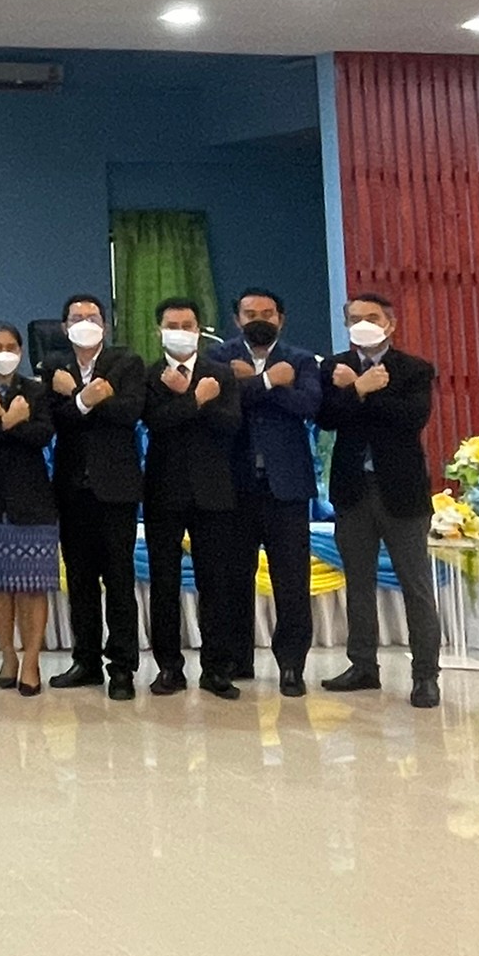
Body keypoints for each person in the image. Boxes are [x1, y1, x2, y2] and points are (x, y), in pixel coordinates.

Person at [319, 293, 442, 708]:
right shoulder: (336, 367)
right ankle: (362, 665)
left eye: (371, 317)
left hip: (402, 490)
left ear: (390, 324)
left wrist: (364, 392)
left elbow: (411, 418)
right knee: (358, 582)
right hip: (353, 490)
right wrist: (356, 387)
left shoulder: (414, 368)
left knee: (416, 585)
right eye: (354, 318)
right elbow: (327, 418)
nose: (363, 324)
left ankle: (425, 675)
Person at [210, 288, 322, 697]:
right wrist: (271, 382)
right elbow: (220, 404)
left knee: (292, 581)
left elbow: (310, 405)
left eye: (268, 313)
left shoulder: (301, 359)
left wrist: (253, 385)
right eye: (250, 312)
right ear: (237, 319)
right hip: (234, 486)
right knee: (232, 578)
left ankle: (291, 664)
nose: (259, 319)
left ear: (281, 319)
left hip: (286, 487)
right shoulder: (219, 358)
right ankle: (237, 660)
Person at [45, 294, 148, 699]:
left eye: (92, 316)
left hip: (116, 488)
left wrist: (79, 396)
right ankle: (85, 661)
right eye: (77, 317)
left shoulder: (127, 362)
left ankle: (122, 667)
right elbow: (56, 420)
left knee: (119, 579)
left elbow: (128, 413)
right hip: (72, 489)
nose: (85, 322)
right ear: (64, 326)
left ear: (105, 324)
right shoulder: (54, 366)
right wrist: (88, 399)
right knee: (80, 580)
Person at [141, 298, 241, 698]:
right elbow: (156, 422)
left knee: (215, 583)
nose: (180, 331)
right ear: (159, 331)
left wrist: (192, 398)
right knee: (163, 584)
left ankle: (216, 668)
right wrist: (195, 399)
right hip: (164, 491)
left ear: (199, 330)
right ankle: (169, 667)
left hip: (213, 491)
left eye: (187, 325)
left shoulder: (221, 374)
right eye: (172, 325)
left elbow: (230, 424)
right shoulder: (149, 375)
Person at [0, 322, 56, 696]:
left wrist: (2, 419)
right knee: (0, 587)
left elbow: (42, 435)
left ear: (20, 352)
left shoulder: (37, 390)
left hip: (33, 500)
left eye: (10, 346)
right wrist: (7, 418)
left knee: (34, 587)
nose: (3, 352)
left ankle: (32, 660)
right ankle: (8, 656)